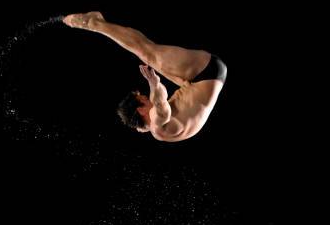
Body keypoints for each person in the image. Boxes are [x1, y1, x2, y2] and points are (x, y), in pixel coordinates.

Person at [63, 12, 227, 142]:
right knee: (147, 53)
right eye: (144, 99)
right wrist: (154, 85)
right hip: (204, 73)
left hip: (197, 81)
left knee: (147, 53)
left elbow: (142, 126)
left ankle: (97, 23)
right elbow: (162, 109)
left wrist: (139, 124)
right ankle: (93, 23)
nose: (147, 99)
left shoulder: (154, 130)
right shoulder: (158, 125)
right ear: (141, 109)